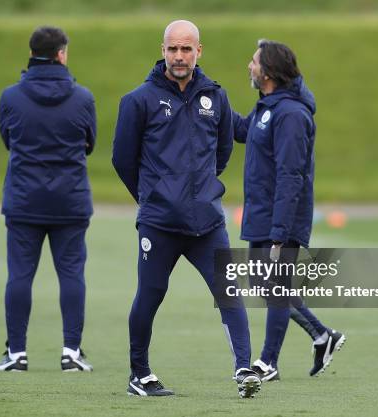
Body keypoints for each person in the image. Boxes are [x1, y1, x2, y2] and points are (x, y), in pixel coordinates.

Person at [112, 20, 261, 398]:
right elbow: (122, 160)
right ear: (162, 50)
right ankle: (139, 374)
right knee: (151, 294)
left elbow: (223, 149)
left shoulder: (216, 97)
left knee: (229, 292)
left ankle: (244, 369)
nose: (180, 56)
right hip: (159, 222)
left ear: (199, 51)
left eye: (187, 49)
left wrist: (202, 188)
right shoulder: (138, 100)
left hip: (207, 222)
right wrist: (153, 195)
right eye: (173, 49)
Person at [232, 39, 346, 381]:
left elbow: (290, 176)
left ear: (267, 72)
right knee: (262, 282)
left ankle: (268, 362)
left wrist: (281, 233)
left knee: (276, 286)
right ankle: (323, 336)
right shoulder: (267, 106)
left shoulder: (292, 115)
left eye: (253, 62)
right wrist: (212, 103)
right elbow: (242, 131)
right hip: (261, 213)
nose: (249, 67)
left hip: (281, 219)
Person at [0, 26, 95, 373]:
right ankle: (71, 352)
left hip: (24, 200)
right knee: (71, 274)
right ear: (61, 54)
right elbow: (90, 143)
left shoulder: (10, 97)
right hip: (70, 200)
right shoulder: (82, 98)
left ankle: (17, 354)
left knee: (20, 275)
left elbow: (9, 139)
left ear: (32, 52)